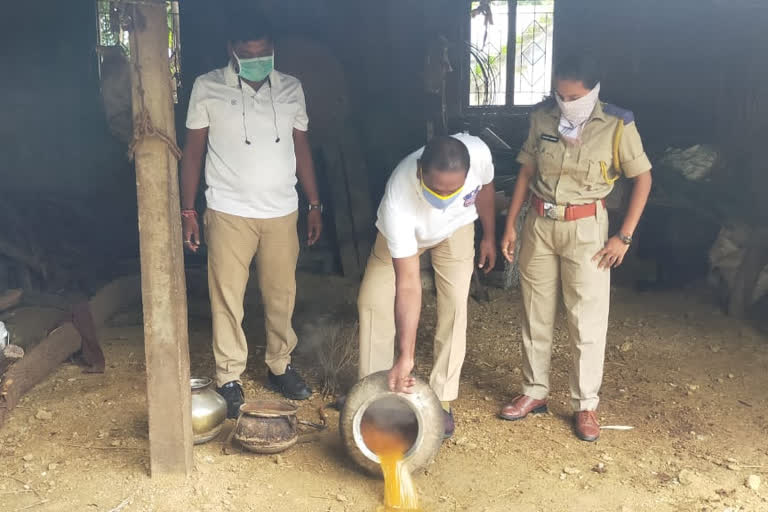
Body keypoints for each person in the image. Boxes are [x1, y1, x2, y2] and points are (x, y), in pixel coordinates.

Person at [499, 55, 653, 442]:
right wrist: (510, 224)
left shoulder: (617, 124)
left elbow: (643, 179)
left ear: (594, 90)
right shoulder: (542, 118)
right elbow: (527, 171)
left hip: (588, 230)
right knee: (535, 312)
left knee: (586, 320)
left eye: (575, 96)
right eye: (560, 94)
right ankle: (534, 392)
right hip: (539, 224)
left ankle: (586, 405)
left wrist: (625, 236)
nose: (566, 102)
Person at [179, 13, 322, 417]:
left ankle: (280, 364)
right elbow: (193, 152)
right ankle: (229, 375)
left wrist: (314, 203)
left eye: (264, 52)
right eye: (248, 54)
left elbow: (303, 149)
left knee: (281, 295)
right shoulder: (207, 87)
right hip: (227, 211)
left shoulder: (292, 88)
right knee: (227, 297)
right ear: (232, 52)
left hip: (282, 211)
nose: (257, 59)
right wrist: (188, 208)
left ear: (273, 49)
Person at [357, 134, 496, 439]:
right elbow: (408, 284)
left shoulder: (479, 153)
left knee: (455, 306)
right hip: (410, 235)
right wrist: (406, 356)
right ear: (420, 170)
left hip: (457, 229)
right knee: (372, 302)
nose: (444, 196)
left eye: (453, 189)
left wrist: (488, 235)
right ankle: (372, 394)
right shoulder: (399, 196)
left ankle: (441, 398)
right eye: (436, 189)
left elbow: (486, 190)